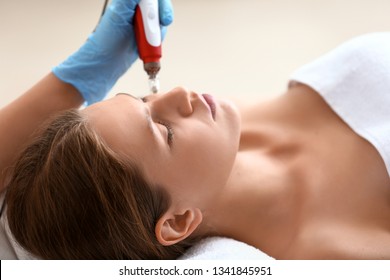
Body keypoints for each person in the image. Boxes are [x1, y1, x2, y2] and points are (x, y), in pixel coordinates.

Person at [1, 1, 390, 260]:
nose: (179, 93)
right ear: (177, 222)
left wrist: (77, 80)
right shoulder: (335, 250)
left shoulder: (228, 126)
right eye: (165, 132)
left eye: (143, 100)